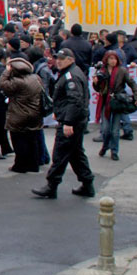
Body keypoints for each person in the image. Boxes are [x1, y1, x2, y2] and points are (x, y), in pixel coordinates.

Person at [32, 48, 95, 199]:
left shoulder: (70, 76)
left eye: (62, 59)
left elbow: (75, 100)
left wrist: (68, 122)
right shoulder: (70, 73)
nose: (58, 61)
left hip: (72, 122)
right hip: (75, 119)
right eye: (57, 58)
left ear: (71, 59)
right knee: (75, 154)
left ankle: (51, 185)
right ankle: (87, 184)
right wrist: (59, 112)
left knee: (60, 154)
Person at [0, 54, 43, 173]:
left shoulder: (17, 82)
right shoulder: (36, 78)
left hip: (19, 114)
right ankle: (33, 165)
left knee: (19, 140)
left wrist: (6, 72)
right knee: (32, 139)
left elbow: (2, 84)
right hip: (35, 112)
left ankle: (20, 165)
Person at [94, 51, 137, 162]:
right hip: (105, 101)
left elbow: (132, 83)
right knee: (105, 129)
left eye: (115, 59)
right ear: (106, 60)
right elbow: (98, 89)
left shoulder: (122, 70)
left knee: (115, 130)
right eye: (111, 58)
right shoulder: (101, 71)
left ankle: (114, 151)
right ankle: (105, 146)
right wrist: (95, 83)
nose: (113, 61)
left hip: (117, 101)